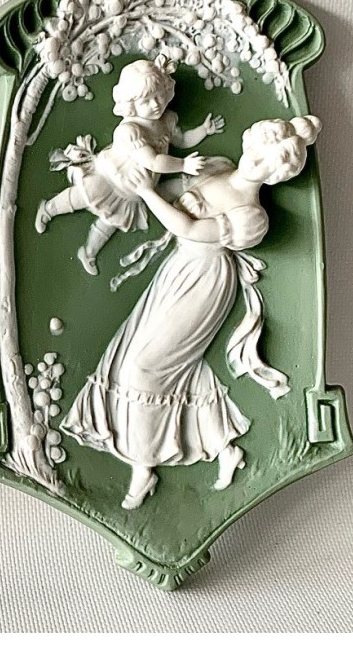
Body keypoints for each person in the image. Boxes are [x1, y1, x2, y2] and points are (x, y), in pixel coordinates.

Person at [61, 115, 321, 509]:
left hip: (205, 282)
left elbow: (189, 228)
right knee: (148, 363)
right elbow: (164, 188)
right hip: (177, 273)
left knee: (145, 368)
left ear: (276, 176)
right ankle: (224, 448)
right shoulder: (217, 168)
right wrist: (119, 177)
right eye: (258, 150)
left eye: (267, 163)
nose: (256, 161)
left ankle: (144, 466)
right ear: (249, 142)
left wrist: (147, 191)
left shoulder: (252, 217)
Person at [35, 58, 224, 274]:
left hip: (131, 191)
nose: (156, 104)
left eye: (159, 96)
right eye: (146, 101)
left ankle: (88, 252)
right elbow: (152, 161)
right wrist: (183, 164)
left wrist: (203, 130)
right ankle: (48, 209)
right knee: (80, 197)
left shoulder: (167, 121)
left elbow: (182, 140)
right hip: (110, 178)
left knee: (110, 223)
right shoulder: (129, 130)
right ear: (131, 105)